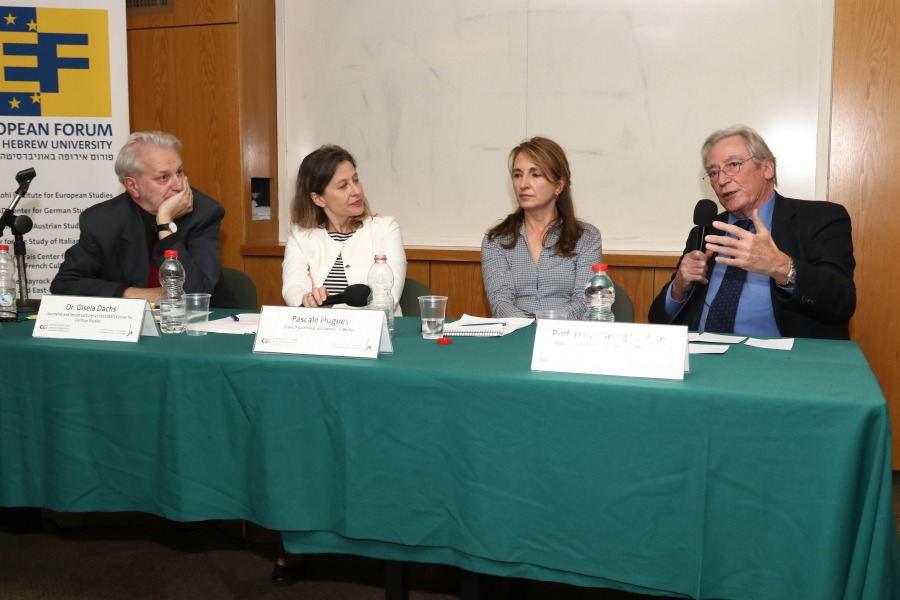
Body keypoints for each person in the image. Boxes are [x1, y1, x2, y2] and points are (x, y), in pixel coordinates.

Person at [648, 124, 856, 339]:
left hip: (782, 357)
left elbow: (842, 301)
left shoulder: (820, 219)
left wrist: (781, 267)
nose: (721, 180)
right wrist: (679, 287)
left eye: (733, 165)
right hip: (703, 353)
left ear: (767, 168)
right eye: (714, 172)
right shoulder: (706, 232)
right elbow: (657, 320)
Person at [50, 131, 224, 304]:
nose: (179, 186)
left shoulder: (203, 213)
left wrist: (164, 224)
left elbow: (198, 294)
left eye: (179, 172)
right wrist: (131, 293)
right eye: (163, 177)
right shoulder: (103, 221)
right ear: (133, 186)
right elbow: (65, 284)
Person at [481, 136, 602, 320]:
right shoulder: (496, 240)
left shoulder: (587, 238)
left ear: (559, 185)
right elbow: (500, 301)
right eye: (517, 175)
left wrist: (547, 326)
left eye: (535, 174)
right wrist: (528, 328)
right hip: (516, 333)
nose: (523, 184)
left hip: (565, 333)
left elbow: (584, 302)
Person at [282, 144, 406, 311]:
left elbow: (388, 296)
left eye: (356, 180)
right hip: (320, 326)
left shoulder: (386, 229)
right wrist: (308, 300)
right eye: (343, 186)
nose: (356, 191)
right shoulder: (300, 236)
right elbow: (293, 287)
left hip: (378, 326)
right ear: (318, 199)